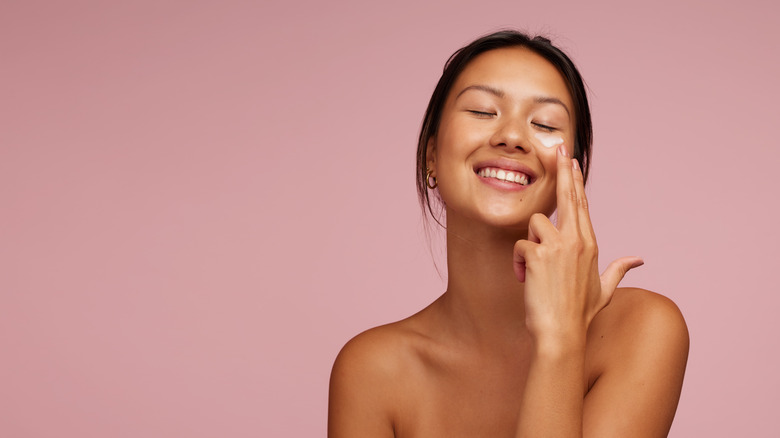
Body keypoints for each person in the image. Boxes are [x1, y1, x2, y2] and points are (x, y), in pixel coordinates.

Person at [328, 30, 689, 437]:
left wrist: (560, 340)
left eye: (544, 123)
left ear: (573, 174)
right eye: (483, 111)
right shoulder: (372, 371)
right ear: (431, 154)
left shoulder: (641, 329)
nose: (512, 137)